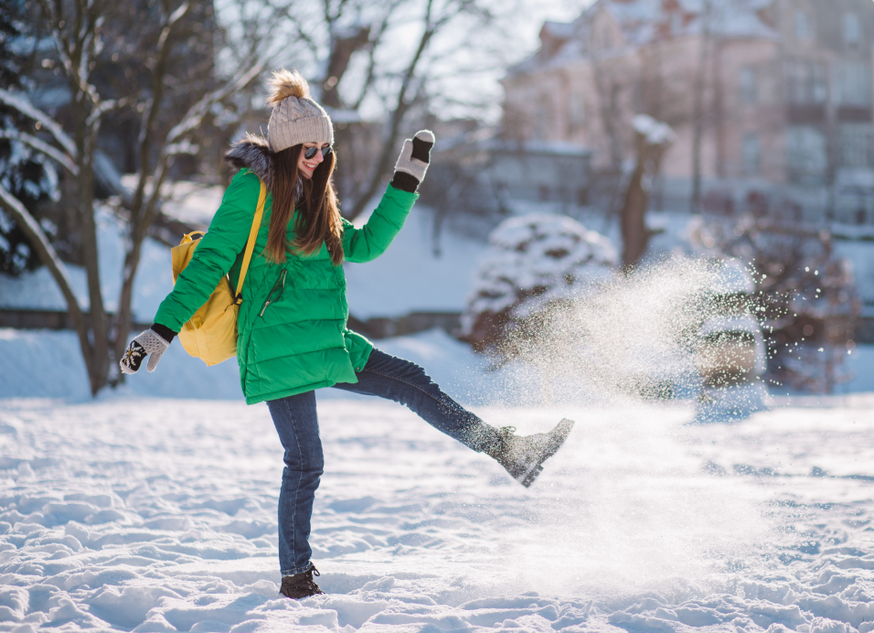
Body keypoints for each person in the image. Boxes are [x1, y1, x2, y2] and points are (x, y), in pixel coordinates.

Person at [119, 69, 573, 600]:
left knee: (411, 381)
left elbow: (365, 244)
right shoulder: (253, 193)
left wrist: (405, 180)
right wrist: (161, 331)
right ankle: (295, 576)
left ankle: (506, 451)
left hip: (325, 340)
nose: (317, 158)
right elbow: (208, 263)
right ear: (286, 150)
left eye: (325, 149)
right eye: (308, 150)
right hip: (276, 347)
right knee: (306, 460)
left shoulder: (316, 196)